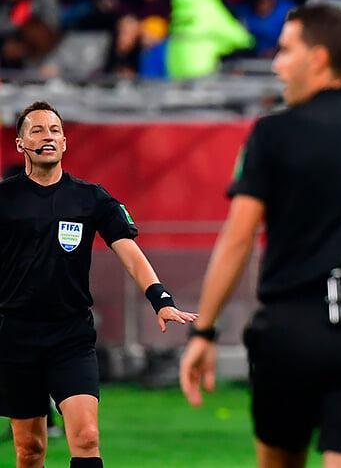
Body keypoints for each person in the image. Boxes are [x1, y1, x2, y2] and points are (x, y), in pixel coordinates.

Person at [179, 4, 341, 468]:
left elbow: (237, 240)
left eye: (285, 50)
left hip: (289, 329)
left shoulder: (272, 133)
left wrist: (204, 331)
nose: (277, 64)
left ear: (318, 58)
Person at [0, 101, 198, 468]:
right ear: (20, 143)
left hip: (70, 336)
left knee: (87, 437)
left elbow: (130, 252)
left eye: (55, 130)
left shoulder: (90, 198)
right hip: (15, 337)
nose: (47, 137)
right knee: (30, 450)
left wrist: (161, 299)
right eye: (37, 131)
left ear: (65, 142)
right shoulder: (5, 198)